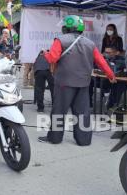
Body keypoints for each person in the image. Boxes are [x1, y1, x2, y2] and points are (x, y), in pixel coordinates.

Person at [38, 15, 115, 146]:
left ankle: (55, 138)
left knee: (59, 111)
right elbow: (101, 61)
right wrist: (111, 75)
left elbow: (52, 58)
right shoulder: (90, 44)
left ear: (66, 27)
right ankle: (84, 140)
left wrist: (44, 53)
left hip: (64, 83)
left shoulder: (60, 40)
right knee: (82, 113)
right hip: (83, 83)